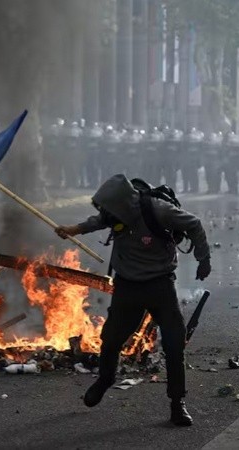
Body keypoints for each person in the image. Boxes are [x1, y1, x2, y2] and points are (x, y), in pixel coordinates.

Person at [54, 174, 211, 427]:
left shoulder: (159, 210)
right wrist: (73, 229)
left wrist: (204, 259)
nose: (108, 214)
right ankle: (105, 379)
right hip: (127, 286)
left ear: (126, 203)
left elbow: (194, 223)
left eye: (110, 210)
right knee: (111, 339)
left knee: (174, 344)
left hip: (160, 285)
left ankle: (177, 403)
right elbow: (98, 221)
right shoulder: (116, 211)